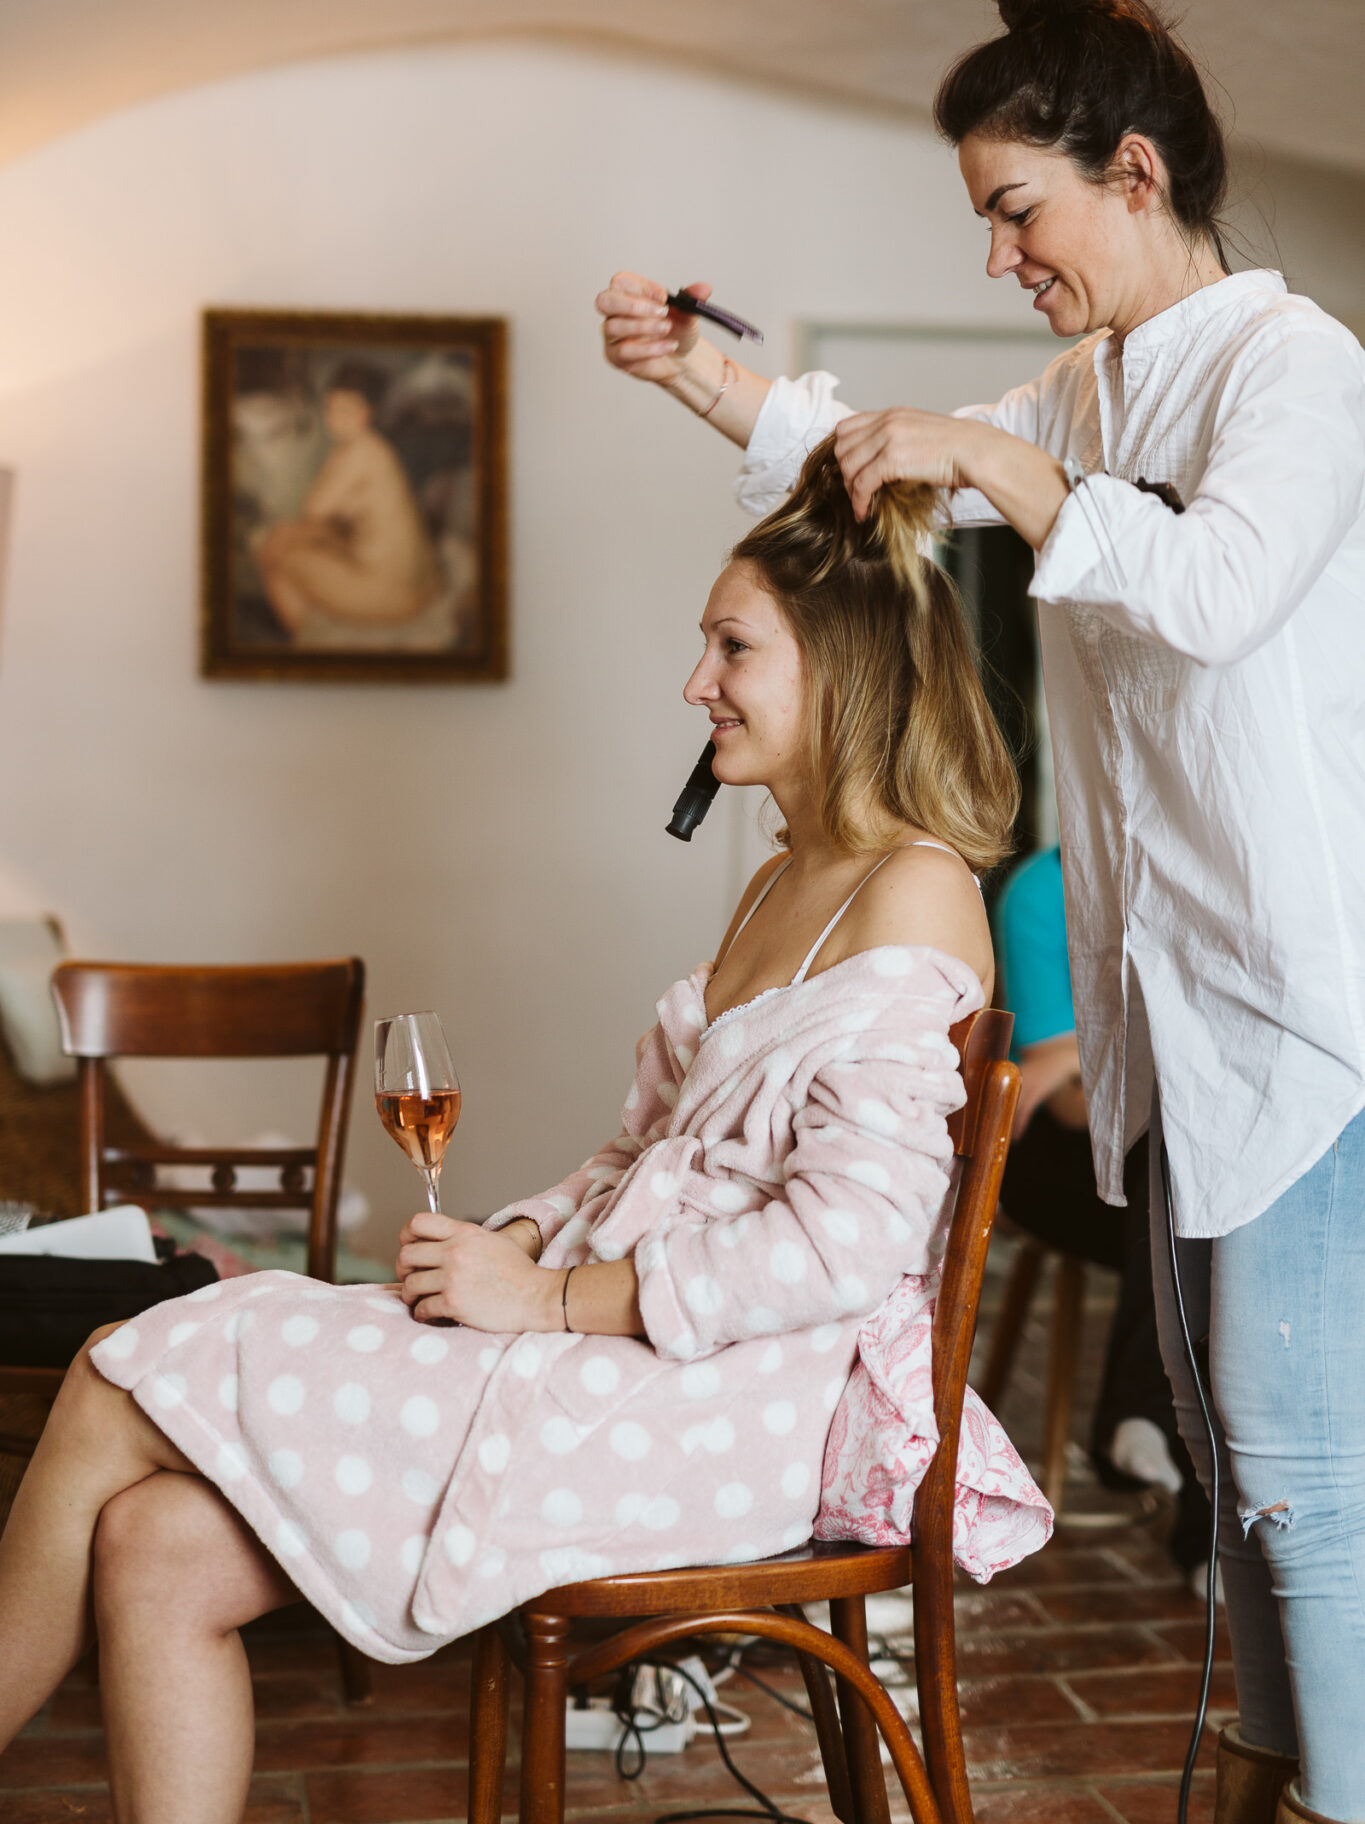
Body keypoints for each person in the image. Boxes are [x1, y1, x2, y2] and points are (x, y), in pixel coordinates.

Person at [597, 0, 1365, 1824]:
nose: (1002, 258)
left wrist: (991, 463)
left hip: (1309, 1004)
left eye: (1018, 211)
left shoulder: (1297, 371)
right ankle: (1275, 1770)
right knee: (1221, 1448)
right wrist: (712, 380)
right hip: (1166, 1007)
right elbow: (875, 454)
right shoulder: (1093, 394)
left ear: (1135, 171)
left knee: (1303, 1464)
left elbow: (1209, 585)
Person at [0, 447, 1047, 1824]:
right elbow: (638, 1157)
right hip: (630, 1356)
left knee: (116, 1366)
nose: (697, 684)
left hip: (731, 1403)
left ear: (842, 668)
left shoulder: (913, 894)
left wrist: (551, 1300)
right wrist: (519, 1237)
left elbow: (847, 1245)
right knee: (154, 1544)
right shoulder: (787, 879)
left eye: (731, 647)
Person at [995, 846, 1212, 1583]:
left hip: (1172, 1158)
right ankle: (1205, 1541)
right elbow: (1062, 1095)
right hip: (1060, 1158)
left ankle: (1142, 1417)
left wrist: (1109, 1056)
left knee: (1205, 1194)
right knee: (1186, 1176)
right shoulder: (1045, 889)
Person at [254, 360, 440, 635]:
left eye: (346, 410)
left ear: (368, 413)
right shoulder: (378, 448)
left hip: (393, 593)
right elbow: (334, 519)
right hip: (415, 584)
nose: (334, 418)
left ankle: (310, 642)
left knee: (276, 558)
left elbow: (313, 508)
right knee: (286, 539)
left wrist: (283, 538)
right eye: (331, 408)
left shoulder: (359, 451)